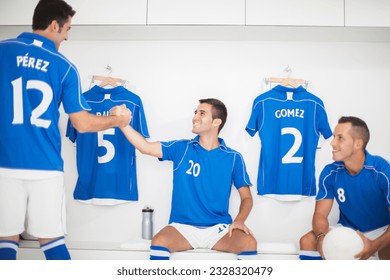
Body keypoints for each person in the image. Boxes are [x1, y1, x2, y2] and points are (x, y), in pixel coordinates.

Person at [0, 0, 131, 260]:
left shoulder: (3, 50)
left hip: (4, 164)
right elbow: (82, 123)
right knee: (52, 243)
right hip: (45, 166)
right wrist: (116, 120)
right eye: (67, 29)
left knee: (5, 243)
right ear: (53, 25)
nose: (67, 37)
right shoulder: (64, 66)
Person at [112, 98, 258, 260]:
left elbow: (247, 198)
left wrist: (239, 221)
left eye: (202, 113)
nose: (195, 116)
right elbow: (145, 147)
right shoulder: (181, 148)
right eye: (195, 112)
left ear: (216, 122)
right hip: (182, 228)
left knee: (249, 243)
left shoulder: (233, 157)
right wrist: (123, 124)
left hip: (219, 228)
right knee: (159, 241)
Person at [299, 116, 390, 260]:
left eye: (340, 138)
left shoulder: (382, 170)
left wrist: (374, 245)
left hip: (381, 229)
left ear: (358, 144)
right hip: (347, 229)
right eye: (334, 137)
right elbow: (320, 215)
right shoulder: (330, 172)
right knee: (308, 241)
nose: (332, 143)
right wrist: (322, 237)